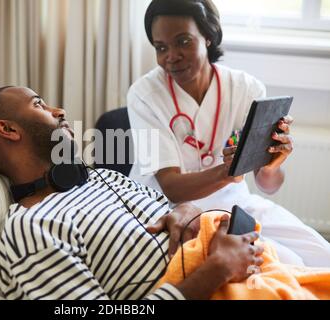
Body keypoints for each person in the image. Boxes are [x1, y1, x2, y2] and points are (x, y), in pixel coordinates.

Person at [0, 86, 264, 300]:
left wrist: (188, 210)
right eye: (39, 104)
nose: (60, 110)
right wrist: (218, 269)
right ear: (8, 129)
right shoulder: (32, 230)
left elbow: (178, 214)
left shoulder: (103, 177)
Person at [127, 0, 330, 267]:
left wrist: (272, 165)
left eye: (183, 41)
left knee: (319, 253)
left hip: (233, 200)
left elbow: (268, 185)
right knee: (283, 262)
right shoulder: (145, 95)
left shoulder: (246, 89)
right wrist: (229, 171)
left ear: (208, 37)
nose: (171, 56)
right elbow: (171, 187)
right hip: (166, 206)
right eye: (161, 47)